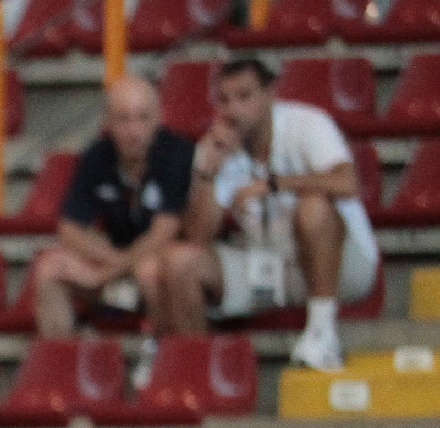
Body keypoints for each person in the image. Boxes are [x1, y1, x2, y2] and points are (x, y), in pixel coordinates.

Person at [179, 55, 380, 374]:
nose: (233, 110)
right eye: (225, 100)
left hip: (341, 266)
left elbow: (348, 183)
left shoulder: (307, 123)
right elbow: (198, 237)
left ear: (269, 94)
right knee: (180, 263)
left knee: (313, 207)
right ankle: (197, 372)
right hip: (271, 268)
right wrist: (207, 172)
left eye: (244, 96)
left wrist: (272, 184)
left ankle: (322, 333)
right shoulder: (219, 146)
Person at [31, 73, 197, 342]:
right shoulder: (96, 156)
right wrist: (109, 262)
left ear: (158, 118)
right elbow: (70, 228)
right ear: (107, 121)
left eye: (143, 118)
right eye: (123, 119)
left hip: (161, 266)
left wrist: (102, 274)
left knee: (150, 271)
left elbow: (162, 237)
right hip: (117, 261)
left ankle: (164, 357)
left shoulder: (179, 154)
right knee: (49, 269)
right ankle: (65, 360)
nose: (134, 131)